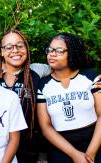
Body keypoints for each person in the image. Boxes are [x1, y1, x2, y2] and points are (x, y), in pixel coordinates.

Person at [37, 32, 101, 163]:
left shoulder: (90, 76)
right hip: (61, 146)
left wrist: (91, 153)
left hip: (95, 141)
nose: (52, 54)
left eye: (59, 51)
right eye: (50, 50)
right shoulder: (43, 85)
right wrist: (74, 154)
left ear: (71, 53)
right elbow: (46, 127)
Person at [0, 29, 48, 163]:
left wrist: (93, 78)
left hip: (28, 149)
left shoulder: (37, 70)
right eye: (8, 47)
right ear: (2, 51)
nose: (15, 50)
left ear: (26, 48)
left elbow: (66, 68)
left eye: (20, 46)